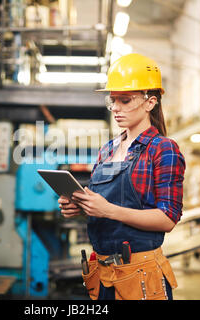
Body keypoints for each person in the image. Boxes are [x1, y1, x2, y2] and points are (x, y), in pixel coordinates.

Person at [58, 53, 186, 300]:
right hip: (102, 274)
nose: (116, 107)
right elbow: (106, 205)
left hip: (140, 276)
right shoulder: (107, 149)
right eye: (113, 100)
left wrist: (107, 210)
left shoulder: (163, 149)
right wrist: (81, 206)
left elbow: (167, 219)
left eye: (125, 100)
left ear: (150, 102)